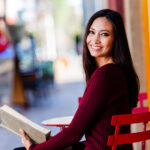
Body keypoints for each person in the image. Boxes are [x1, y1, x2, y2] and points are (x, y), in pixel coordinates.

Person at [17, 9, 140, 150]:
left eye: (104, 34)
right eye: (92, 32)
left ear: (116, 39)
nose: (95, 40)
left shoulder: (104, 75)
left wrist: (34, 149)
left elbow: (74, 133)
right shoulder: (119, 71)